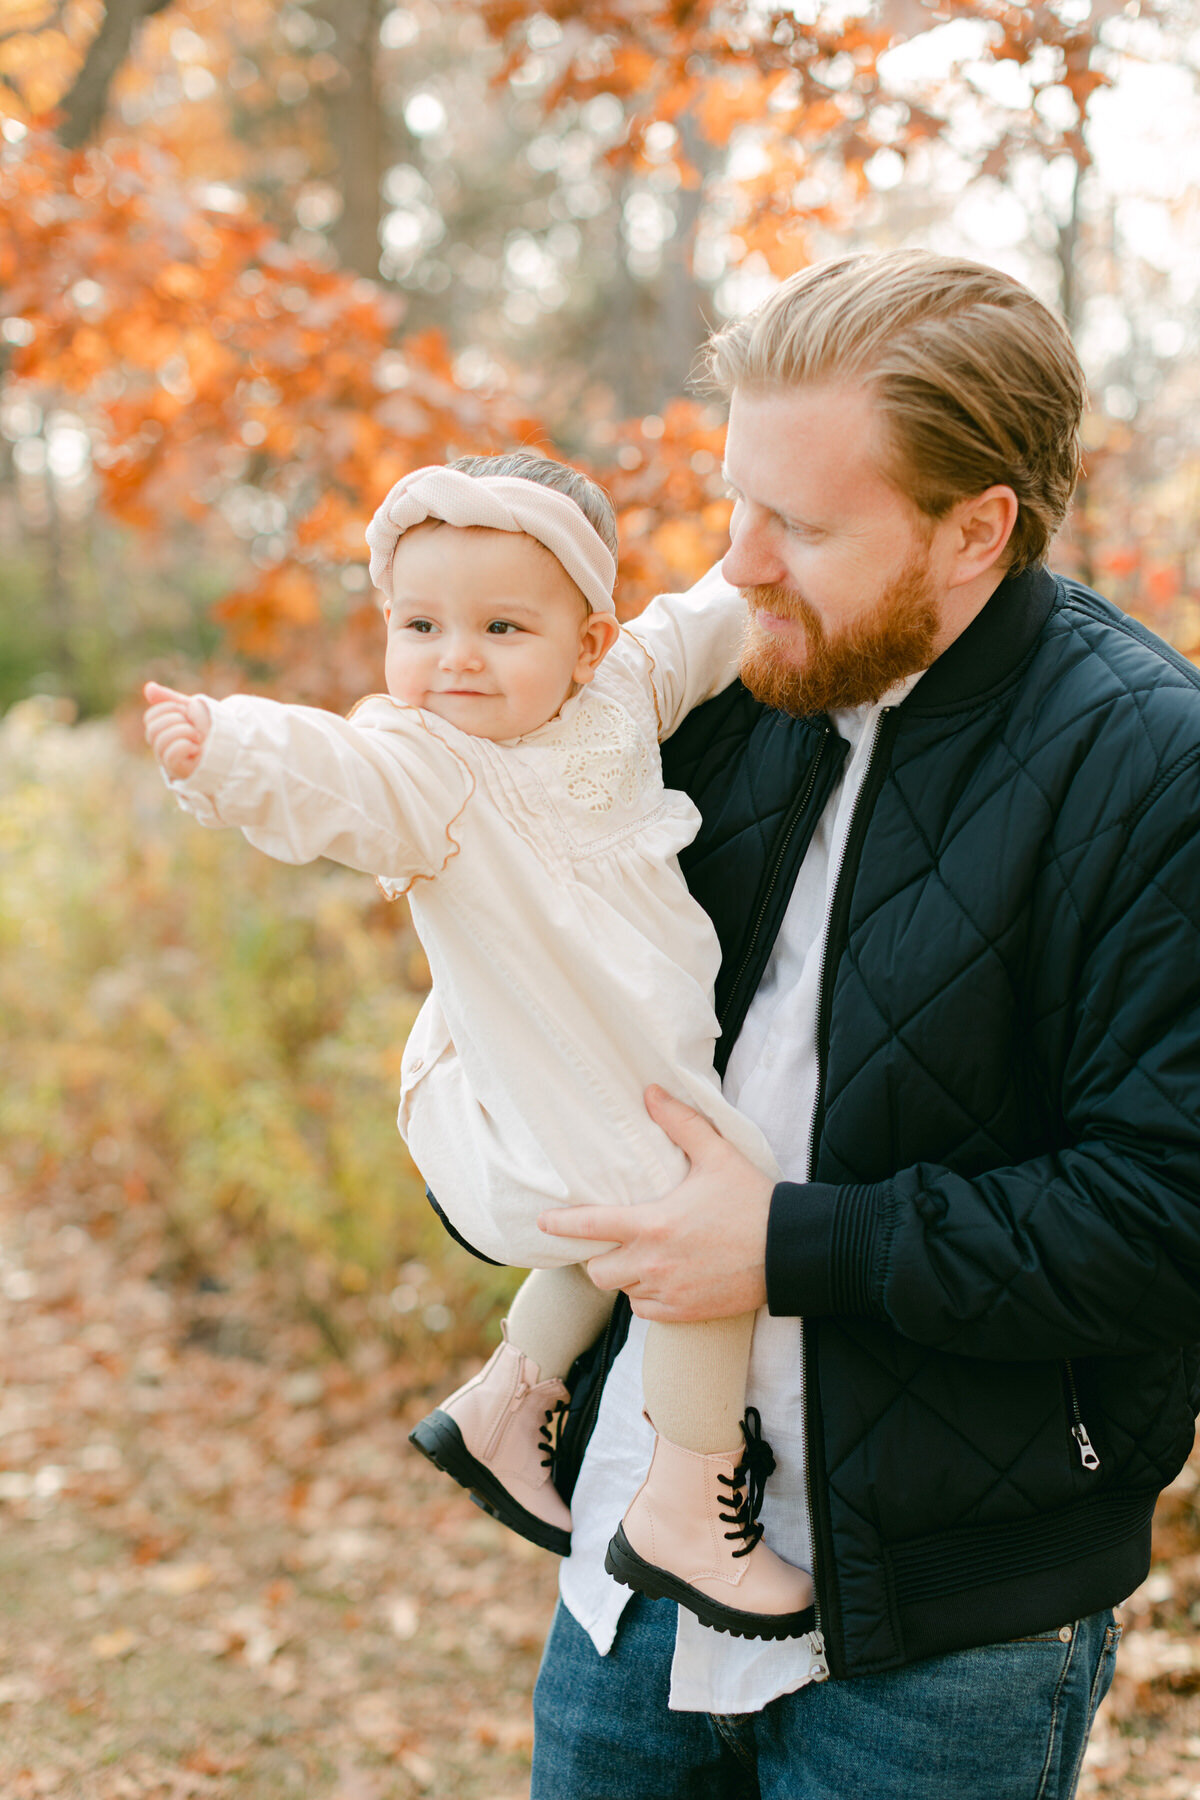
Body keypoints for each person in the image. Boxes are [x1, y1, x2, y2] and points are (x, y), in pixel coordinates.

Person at [526, 250, 1200, 1798]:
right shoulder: (710, 688)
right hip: (634, 1565)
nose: (740, 563)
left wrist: (788, 1245)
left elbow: (1168, 1219)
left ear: (979, 529)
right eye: (734, 501)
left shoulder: (1154, 769)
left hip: (947, 1635)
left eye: (806, 526)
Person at [141, 451, 817, 1643]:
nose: (453, 657)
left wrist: (769, 558)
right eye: (420, 623)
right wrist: (231, 747)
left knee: (630, 1218)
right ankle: (683, 1500)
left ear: (586, 643)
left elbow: (697, 625)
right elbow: (334, 773)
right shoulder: (427, 763)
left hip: (610, 1073)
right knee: (711, 1226)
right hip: (541, 1070)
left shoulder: (617, 697)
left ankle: (506, 1404)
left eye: (502, 626)